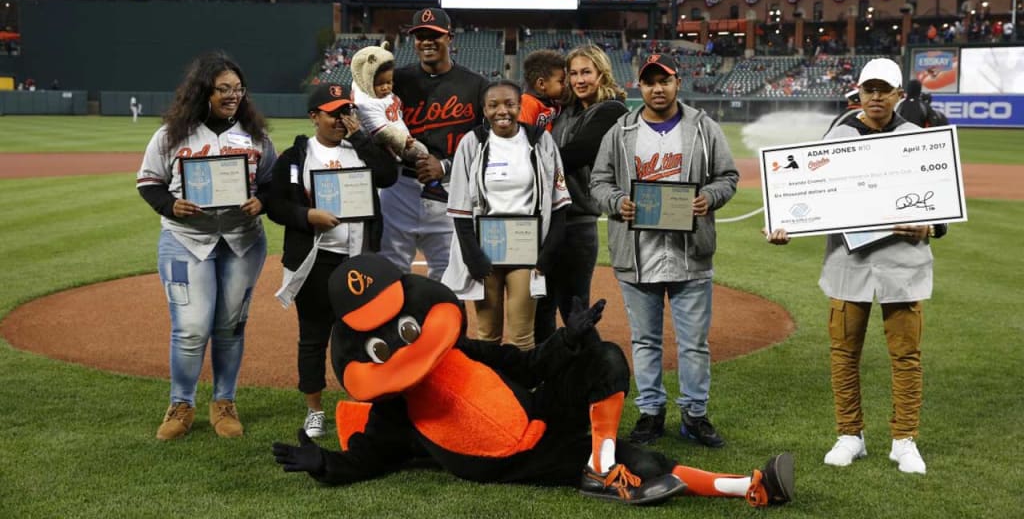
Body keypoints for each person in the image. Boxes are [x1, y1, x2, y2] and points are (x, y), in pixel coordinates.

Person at [272, 254, 795, 509]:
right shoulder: (393, 410)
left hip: (541, 416)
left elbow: (525, 366)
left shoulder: (459, 345)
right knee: (648, 466)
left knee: (604, 356)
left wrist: (568, 339)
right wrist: (325, 465)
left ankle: (600, 463)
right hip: (517, 460)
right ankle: (749, 488)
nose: (405, 344)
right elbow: (368, 458)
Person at [765, 57, 947, 475]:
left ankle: (904, 440)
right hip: (849, 262)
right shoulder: (838, 134)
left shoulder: (917, 138)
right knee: (844, 353)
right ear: (858, 92)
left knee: (906, 356)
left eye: (885, 89)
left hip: (904, 262)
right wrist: (785, 224)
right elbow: (807, 193)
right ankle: (851, 435)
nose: (877, 96)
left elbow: (942, 210)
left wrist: (931, 225)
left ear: (900, 95)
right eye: (870, 89)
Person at [590, 54, 739, 448]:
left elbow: (728, 176)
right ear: (639, 87)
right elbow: (598, 182)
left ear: (677, 84)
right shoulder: (621, 131)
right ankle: (651, 413)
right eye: (650, 81)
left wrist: (709, 196)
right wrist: (616, 201)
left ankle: (694, 414)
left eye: (665, 81)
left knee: (693, 343)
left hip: (690, 252)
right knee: (645, 340)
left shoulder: (704, 128)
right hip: (637, 253)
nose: (658, 88)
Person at [136, 51, 277, 440]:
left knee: (230, 325)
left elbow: (272, 182)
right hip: (186, 238)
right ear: (204, 92)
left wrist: (263, 200)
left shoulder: (256, 136)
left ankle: (224, 401)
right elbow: (148, 182)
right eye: (223, 89)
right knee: (191, 328)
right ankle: (181, 403)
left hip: (242, 240)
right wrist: (170, 204)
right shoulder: (171, 135)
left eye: (237, 88)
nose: (232, 95)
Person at [265, 83, 398, 439]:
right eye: (333, 113)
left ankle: (366, 403)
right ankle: (314, 410)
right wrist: (308, 216)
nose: (342, 120)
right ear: (314, 117)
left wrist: (362, 140)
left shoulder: (360, 148)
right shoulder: (297, 156)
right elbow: (275, 204)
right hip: (315, 259)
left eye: (346, 112)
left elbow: (389, 175)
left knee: (365, 334)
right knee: (313, 336)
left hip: (358, 259)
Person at [441, 80, 571, 350]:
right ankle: (492, 392)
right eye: (493, 105)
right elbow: (460, 207)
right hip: (486, 249)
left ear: (520, 106)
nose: (502, 111)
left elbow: (559, 204)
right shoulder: (472, 142)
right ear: (484, 110)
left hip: (526, 249)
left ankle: (525, 392)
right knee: (487, 334)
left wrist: (547, 253)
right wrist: (472, 255)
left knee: (523, 336)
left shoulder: (540, 140)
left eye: (509, 104)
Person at [379, 7, 490, 281]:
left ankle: (444, 325)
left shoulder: (475, 85)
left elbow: (487, 142)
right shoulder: (397, 82)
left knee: (448, 277)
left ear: (449, 38)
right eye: (420, 36)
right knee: (391, 273)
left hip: (450, 188)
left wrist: (445, 165)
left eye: (435, 35)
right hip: (399, 187)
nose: (427, 41)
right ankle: (398, 326)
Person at [536, 44, 628, 344]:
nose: (579, 80)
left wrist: (526, 164)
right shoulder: (567, 112)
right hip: (548, 222)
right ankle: (546, 375)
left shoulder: (612, 110)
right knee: (541, 307)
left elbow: (578, 153)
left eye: (586, 72)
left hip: (577, 224)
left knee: (574, 310)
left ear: (601, 74)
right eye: (573, 73)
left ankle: (593, 376)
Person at [349, 42, 431, 167]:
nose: (386, 87)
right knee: (421, 153)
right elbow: (381, 132)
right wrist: (402, 140)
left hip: (399, 133)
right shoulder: (365, 103)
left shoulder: (379, 94)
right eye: (380, 84)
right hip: (388, 145)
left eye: (389, 82)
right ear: (367, 81)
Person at [518, 49, 566, 132]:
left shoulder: (552, 101)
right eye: (561, 81)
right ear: (541, 84)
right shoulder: (527, 103)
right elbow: (522, 135)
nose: (564, 85)